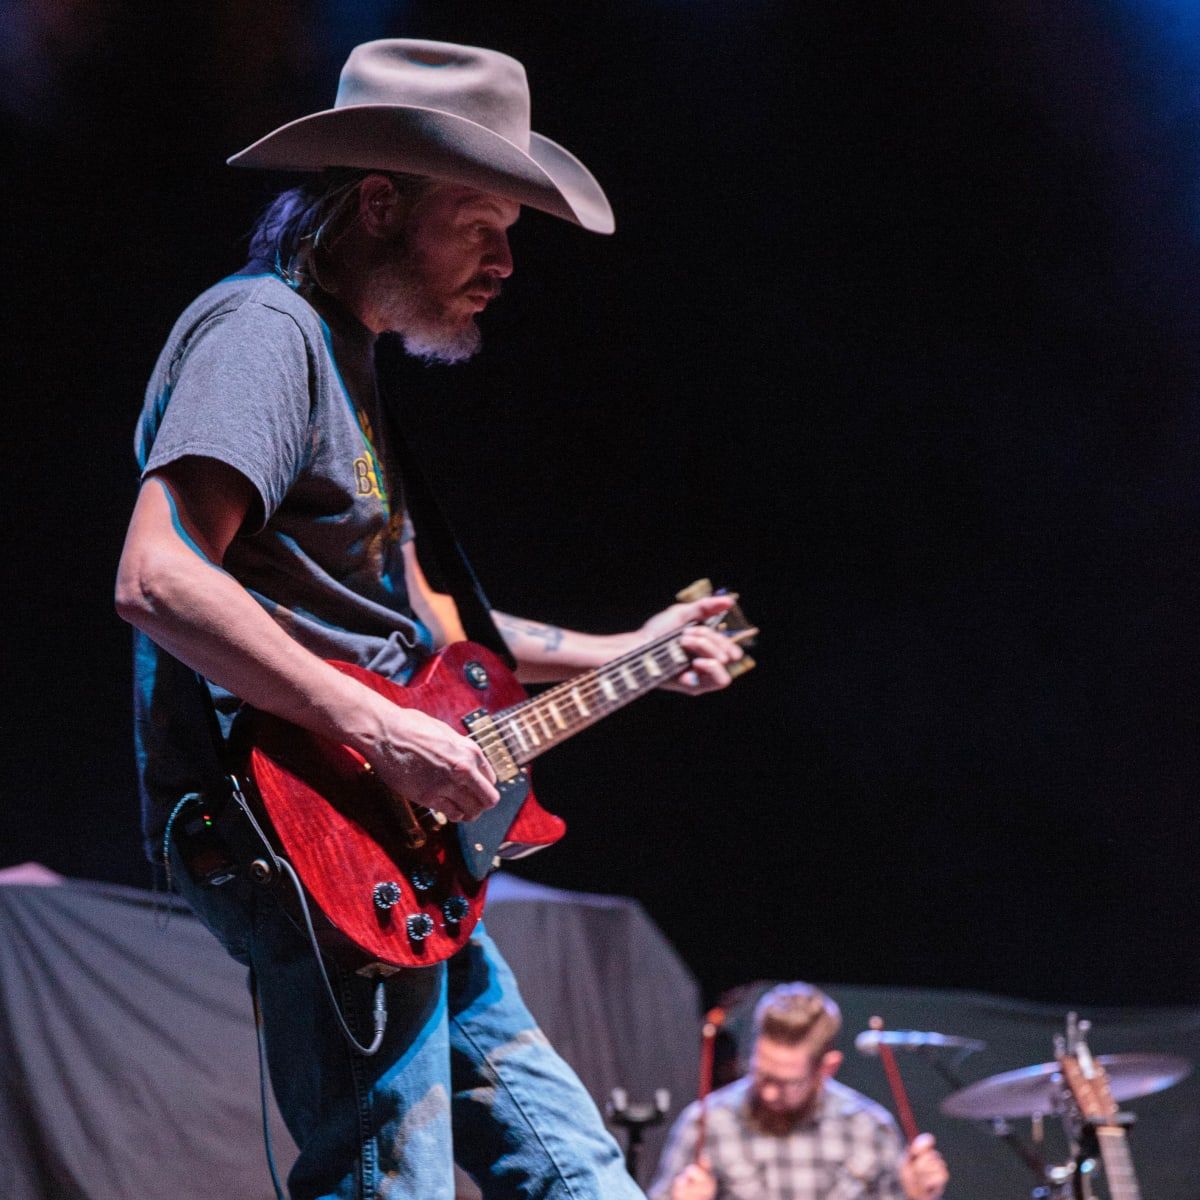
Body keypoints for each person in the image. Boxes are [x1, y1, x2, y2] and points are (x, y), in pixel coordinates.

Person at [114, 38, 744, 1200]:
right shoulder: (264, 332)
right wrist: (384, 730)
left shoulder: (348, 360)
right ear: (379, 202)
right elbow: (157, 576)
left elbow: (429, 623)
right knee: (386, 1178)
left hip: (388, 843)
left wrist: (628, 651)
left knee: (583, 1175)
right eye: (482, 223)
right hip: (305, 823)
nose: (507, 262)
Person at [648, 983, 950, 1200]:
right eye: (761, 1074)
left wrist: (917, 1198)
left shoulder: (870, 1127)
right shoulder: (706, 1123)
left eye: (787, 1083)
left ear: (826, 1068)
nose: (768, 1093)